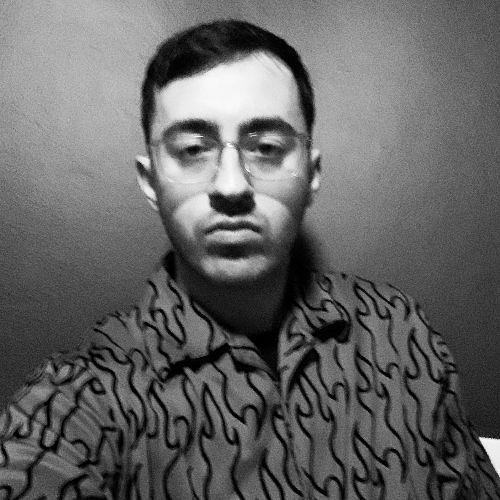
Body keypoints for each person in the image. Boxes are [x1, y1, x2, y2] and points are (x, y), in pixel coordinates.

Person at [0, 19, 498, 499]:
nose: (231, 185)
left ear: (311, 174)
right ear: (151, 182)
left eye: (266, 148)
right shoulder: (86, 395)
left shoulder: (399, 335)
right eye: (192, 150)